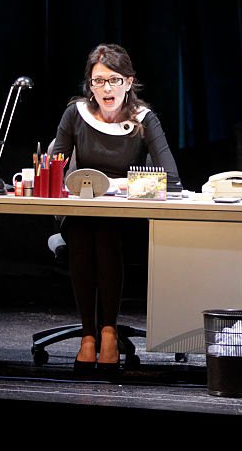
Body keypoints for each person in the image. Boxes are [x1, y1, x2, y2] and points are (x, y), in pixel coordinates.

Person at [52, 43, 182, 370]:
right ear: (89, 85)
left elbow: (172, 179)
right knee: (83, 227)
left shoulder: (143, 120)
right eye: (98, 81)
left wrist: (115, 186)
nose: (106, 89)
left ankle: (108, 331)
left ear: (128, 82)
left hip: (127, 216)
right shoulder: (75, 115)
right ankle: (88, 335)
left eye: (113, 80)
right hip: (82, 211)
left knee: (106, 227)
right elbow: (56, 168)